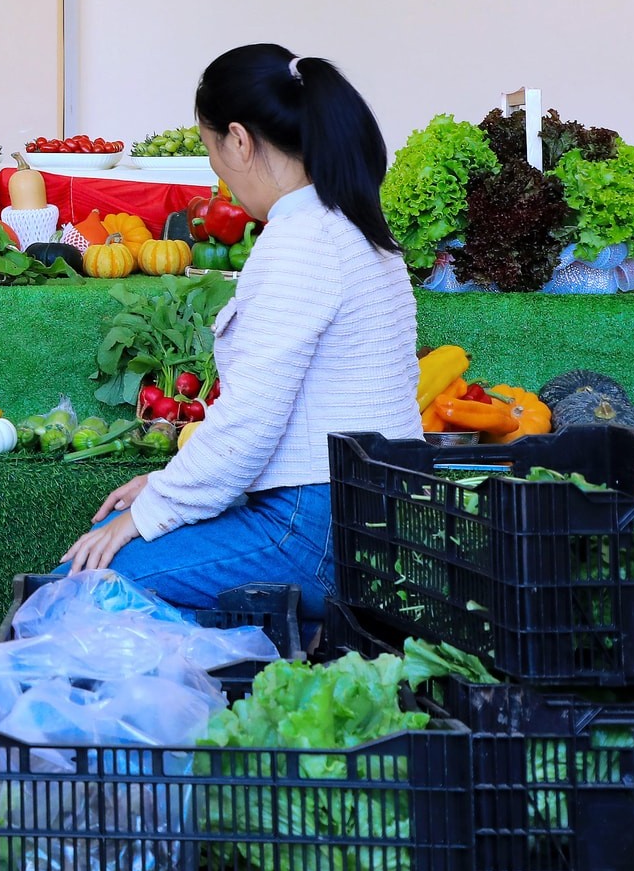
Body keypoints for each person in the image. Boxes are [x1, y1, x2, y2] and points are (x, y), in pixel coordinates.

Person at [59, 44, 421, 618]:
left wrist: (148, 512)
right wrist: (166, 485)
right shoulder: (352, 225)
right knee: (116, 569)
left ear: (239, 140)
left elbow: (251, 421)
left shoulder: (300, 242)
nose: (219, 175)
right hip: (367, 516)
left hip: (314, 528)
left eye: (212, 153)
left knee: (76, 587)